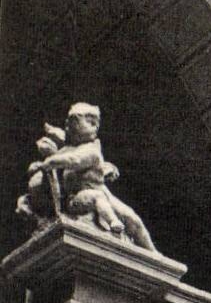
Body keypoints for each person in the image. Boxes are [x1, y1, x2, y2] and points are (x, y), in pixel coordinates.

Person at [18, 103, 154, 250]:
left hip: (101, 192)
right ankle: (113, 223)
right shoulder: (67, 149)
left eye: (95, 124)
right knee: (98, 199)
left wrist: (49, 161)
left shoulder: (91, 150)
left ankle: (154, 254)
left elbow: (75, 160)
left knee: (132, 219)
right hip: (79, 197)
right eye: (89, 122)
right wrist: (43, 164)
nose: (94, 127)